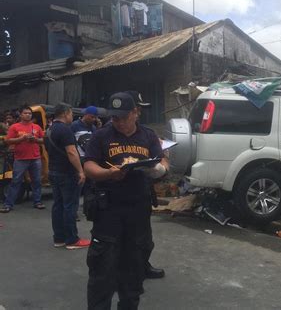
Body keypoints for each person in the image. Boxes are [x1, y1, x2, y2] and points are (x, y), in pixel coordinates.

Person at [84, 92, 168, 309]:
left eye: (123, 116)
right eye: (114, 117)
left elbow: (162, 161)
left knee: (134, 269)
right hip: (108, 210)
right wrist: (108, 174)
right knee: (102, 270)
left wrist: (158, 170)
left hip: (138, 211)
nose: (118, 121)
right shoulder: (101, 136)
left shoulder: (148, 136)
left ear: (135, 113)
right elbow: (89, 166)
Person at [124, 90, 165, 280]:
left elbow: (161, 158)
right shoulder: (105, 135)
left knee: (144, 237)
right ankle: (121, 271)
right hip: (115, 195)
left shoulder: (147, 133)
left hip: (141, 192)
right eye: (137, 108)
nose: (139, 112)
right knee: (119, 237)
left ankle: (142, 266)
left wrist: (161, 167)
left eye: (139, 109)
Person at [46, 103, 90, 249]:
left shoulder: (50, 129)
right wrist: (80, 171)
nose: (72, 116)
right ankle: (72, 240)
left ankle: (59, 238)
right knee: (70, 206)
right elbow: (72, 152)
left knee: (58, 205)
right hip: (67, 173)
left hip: (53, 171)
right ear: (65, 114)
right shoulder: (65, 130)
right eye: (71, 113)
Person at [1, 105, 44, 213]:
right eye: (25, 113)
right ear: (20, 115)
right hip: (20, 159)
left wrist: (35, 140)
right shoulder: (14, 127)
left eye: (29, 113)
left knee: (37, 181)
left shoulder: (36, 127)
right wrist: (21, 138)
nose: (28, 115)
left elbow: (43, 140)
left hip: (35, 158)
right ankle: (8, 204)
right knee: (16, 181)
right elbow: (7, 141)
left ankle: (37, 201)